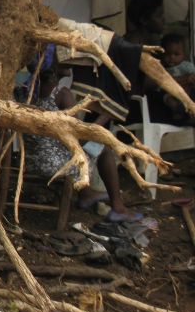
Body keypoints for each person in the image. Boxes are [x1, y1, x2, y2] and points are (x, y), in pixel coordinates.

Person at [25, 68, 143, 222]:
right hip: (51, 164)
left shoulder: (25, 90)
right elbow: (80, 137)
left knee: (77, 148)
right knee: (104, 150)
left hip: (28, 160)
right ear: (55, 65)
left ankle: (86, 194)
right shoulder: (62, 94)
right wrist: (106, 115)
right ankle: (118, 208)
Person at [157, 33, 195, 122]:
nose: (171, 57)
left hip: (187, 93)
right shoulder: (161, 68)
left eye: (176, 54)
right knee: (169, 100)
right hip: (171, 95)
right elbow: (164, 82)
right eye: (168, 54)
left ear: (184, 55)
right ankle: (179, 113)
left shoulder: (187, 66)